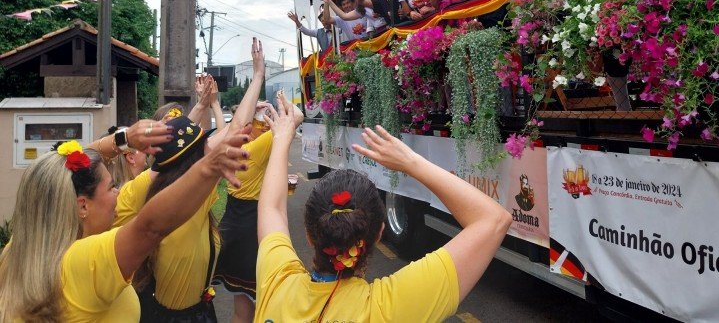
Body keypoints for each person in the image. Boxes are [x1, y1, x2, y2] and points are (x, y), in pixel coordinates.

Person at [253, 93, 513, 322]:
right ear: (379, 234)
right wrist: (411, 162)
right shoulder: (388, 308)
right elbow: (493, 219)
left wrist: (282, 135)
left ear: (310, 236)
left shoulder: (277, 283)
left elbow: (272, 208)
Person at [0, 120, 249, 321]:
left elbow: (65, 169)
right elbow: (150, 228)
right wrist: (207, 167)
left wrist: (123, 140)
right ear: (83, 205)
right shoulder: (83, 262)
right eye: (112, 187)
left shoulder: (20, 251)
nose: (119, 193)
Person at [114, 38, 267, 321]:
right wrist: (258, 76)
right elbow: (236, 130)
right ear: (190, 160)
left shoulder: (139, 188)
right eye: (201, 148)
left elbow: (228, 132)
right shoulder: (193, 195)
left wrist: (202, 105)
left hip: (175, 309)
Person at [211, 99, 303, 323]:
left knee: (241, 313)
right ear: (249, 122)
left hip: (231, 225)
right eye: (258, 117)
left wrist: (215, 103)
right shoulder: (255, 148)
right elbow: (297, 116)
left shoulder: (229, 146)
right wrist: (275, 106)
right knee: (266, 306)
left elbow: (225, 128)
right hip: (254, 228)